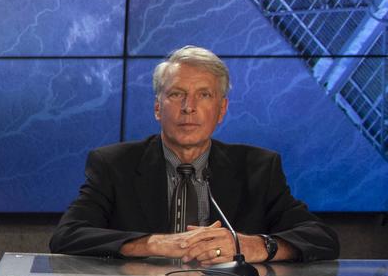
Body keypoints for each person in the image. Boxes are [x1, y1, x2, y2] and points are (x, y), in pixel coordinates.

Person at [50, 46, 338, 263]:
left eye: (204, 95)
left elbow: (321, 238)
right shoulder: (114, 165)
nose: (189, 107)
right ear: (158, 108)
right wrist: (152, 244)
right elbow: (67, 236)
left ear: (221, 110)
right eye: (176, 94)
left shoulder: (258, 169)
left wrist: (255, 246)